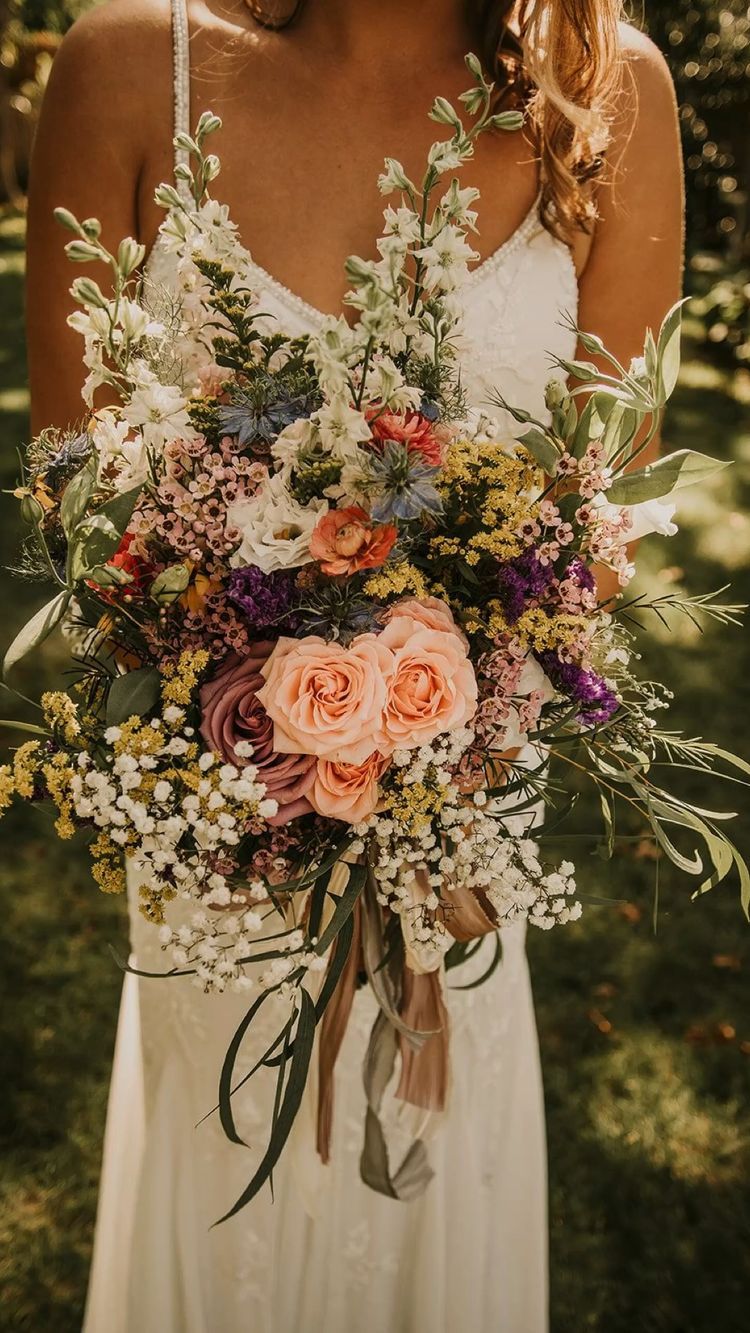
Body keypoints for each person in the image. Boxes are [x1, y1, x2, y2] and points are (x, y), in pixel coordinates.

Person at [25, 2, 683, 1329]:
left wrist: (438, 712)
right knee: (227, 1198)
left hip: (465, 822)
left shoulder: (603, 87)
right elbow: (73, 492)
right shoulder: (120, 65)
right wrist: (247, 666)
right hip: (218, 814)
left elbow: (604, 513)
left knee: (422, 1182)